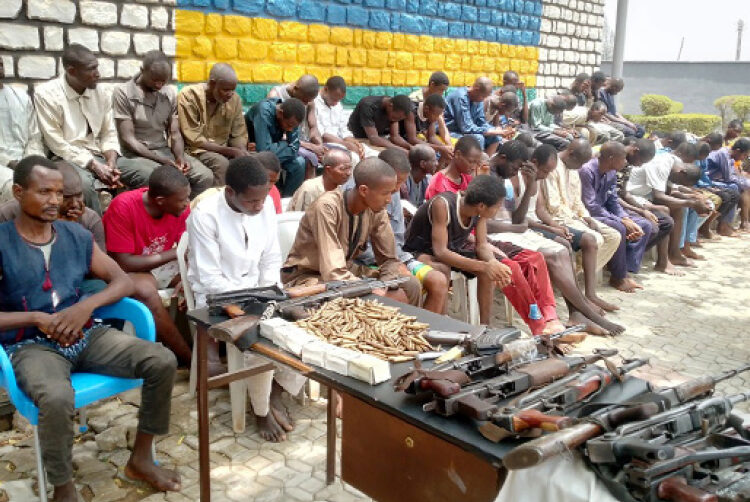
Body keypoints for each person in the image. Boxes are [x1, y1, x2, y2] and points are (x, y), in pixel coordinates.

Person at [0, 156, 180, 501]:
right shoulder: (3, 241)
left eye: (59, 193)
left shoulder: (75, 234)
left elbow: (121, 280)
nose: (55, 201)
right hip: (30, 346)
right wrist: (36, 319)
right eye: (44, 192)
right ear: (18, 192)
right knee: (55, 397)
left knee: (160, 360)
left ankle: (141, 458)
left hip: (85, 334)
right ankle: (64, 488)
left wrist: (85, 307)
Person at [187, 157, 303, 442]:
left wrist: (268, 295)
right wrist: (250, 304)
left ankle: (275, 392)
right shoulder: (204, 215)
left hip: (257, 291)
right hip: (217, 298)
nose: (260, 206)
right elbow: (209, 276)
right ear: (230, 193)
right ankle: (261, 411)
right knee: (258, 339)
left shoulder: (262, 207)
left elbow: (270, 258)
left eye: (263, 199)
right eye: (252, 201)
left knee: (306, 325)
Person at [489, 142, 624, 336]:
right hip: (501, 233)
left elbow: (518, 217)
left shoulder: (515, 177)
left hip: (514, 229)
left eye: (519, 167)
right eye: (516, 166)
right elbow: (499, 222)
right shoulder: (494, 175)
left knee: (562, 249)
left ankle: (578, 312)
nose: (516, 170)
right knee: (555, 252)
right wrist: (524, 225)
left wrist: (529, 186)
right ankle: (586, 312)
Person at [403, 175, 561, 334]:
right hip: (421, 250)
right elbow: (441, 251)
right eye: (498, 206)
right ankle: (440, 322)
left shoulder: (479, 214)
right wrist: (485, 265)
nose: (498, 209)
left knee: (491, 269)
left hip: (452, 248)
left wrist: (492, 263)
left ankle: (485, 326)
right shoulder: (442, 205)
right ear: (481, 205)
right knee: (443, 269)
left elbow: (482, 245)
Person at [281, 158, 421, 305]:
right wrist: (368, 288)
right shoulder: (327, 207)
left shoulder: (376, 209)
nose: (389, 200)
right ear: (364, 190)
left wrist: (385, 284)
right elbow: (333, 272)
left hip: (347, 271)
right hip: (309, 276)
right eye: (386, 193)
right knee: (372, 300)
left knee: (411, 284)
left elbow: (389, 260)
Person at [101, 166, 194, 368]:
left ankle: (210, 350)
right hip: (127, 269)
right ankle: (189, 359)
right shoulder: (123, 206)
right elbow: (124, 262)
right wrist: (176, 254)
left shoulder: (180, 210)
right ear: (160, 201)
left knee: (198, 280)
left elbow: (188, 250)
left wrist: (187, 277)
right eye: (182, 200)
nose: (187, 204)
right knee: (145, 292)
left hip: (159, 264)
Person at [347, 149, 449, 313]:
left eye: (401, 182)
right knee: (405, 289)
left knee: (438, 280)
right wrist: (391, 265)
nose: (397, 189)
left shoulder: (390, 195)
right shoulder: (357, 195)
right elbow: (357, 250)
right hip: (366, 263)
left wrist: (397, 262)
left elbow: (397, 238)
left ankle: (429, 333)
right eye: (396, 183)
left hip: (395, 257)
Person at [34, 44, 121, 214]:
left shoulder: (101, 92)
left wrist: (111, 162)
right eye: (91, 69)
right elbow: (56, 143)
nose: (98, 74)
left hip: (100, 154)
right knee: (82, 187)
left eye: (97, 67)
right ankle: (95, 235)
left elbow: (108, 132)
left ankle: (129, 230)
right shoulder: (46, 94)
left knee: (146, 173)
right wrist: (94, 165)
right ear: (71, 71)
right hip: (66, 157)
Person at [537, 139, 622, 312]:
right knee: (594, 238)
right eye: (580, 162)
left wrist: (586, 218)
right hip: (558, 218)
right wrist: (577, 220)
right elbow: (553, 206)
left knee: (614, 236)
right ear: (570, 153)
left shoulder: (574, 168)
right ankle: (574, 289)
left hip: (574, 216)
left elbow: (576, 201)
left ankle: (581, 285)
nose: (581, 166)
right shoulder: (551, 167)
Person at [113, 50, 212, 197]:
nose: (159, 85)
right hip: (135, 155)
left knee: (205, 176)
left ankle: (184, 213)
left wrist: (180, 157)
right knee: (160, 180)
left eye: (163, 81)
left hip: (164, 151)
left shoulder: (169, 94)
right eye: (155, 80)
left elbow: (175, 132)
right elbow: (128, 139)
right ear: (142, 71)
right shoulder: (123, 93)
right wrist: (160, 160)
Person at [625, 141, 711, 273]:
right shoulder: (662, 165)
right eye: (682, 182)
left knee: (679, 207)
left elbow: (672, 188)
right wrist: (691, 203)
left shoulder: (674, 165)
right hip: (632, 194)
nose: (680, 184)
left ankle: (675, 254)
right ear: (681, 172)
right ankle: (662, 262)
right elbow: (660, 196)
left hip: (644, 196)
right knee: (664, 210)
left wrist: (693, 198)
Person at [579, 141, 654, 293]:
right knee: (619, 227)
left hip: (605, 212)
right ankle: (618, 277)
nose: (626, 161)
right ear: (611, 158)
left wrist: (626, 218)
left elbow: (613, 201)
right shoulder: (587, 171)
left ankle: (626, 272)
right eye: (623, 158)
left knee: (645, 225)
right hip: (588, 214)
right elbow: (591, 206)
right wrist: (621, 221)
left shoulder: (611, 173)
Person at [0, 161, 105, 251]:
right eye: (66, 197)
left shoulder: (90, 220)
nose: (74, 203)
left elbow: (101, 269)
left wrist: (73, 229)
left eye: (79, 195)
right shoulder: (7, 214)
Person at [178, 63, 250, 187]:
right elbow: (194, 140)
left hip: (223, 149)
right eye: (226, 89)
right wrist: (230, 151)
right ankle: (215, 203)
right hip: (194, 150)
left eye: (233, 89)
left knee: (253, 163)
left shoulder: (235, 100)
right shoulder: (189, 96)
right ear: (212, 84)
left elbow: (238, 134)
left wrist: (242, 152)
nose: (230, 94)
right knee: (221, 164)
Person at [0, 57, 44, 203]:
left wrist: (31, 160)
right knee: (14, 186)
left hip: (25, 159)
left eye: (0, 63)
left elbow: (34, 136)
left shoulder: (21, 96)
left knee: (52, 178)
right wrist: (11, 163)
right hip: (3, 164)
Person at [247, 97, 307, 197]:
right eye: (289, 125)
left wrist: (276, 146)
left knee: (300, 163)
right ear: (280, 113)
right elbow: (264, 151)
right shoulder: (264, 111)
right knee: (269, 161)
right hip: (253, 152)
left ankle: (288, 200)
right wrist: (285, 143)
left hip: (272, 151)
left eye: (294, 127)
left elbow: (295, 147)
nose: (290, 129)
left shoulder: (293, 118)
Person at [268, 75, 323, 178]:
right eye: (304, 100)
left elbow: (313, 126)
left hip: (303, 142)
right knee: (309, 159)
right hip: (285, 143)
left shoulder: (307, 98)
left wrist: (319, 145)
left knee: (334, 156)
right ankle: (305, 193)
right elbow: (277, 134)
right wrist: (311, 147)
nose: (306, 103)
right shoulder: (276, 96)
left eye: (309, 101)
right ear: (295, 89)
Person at [444, 77, 506, 155]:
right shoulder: (461, 97)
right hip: (451, 131)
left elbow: (481, 122)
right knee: (478, 138)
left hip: (464, 131)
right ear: (476, 90)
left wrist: (497, 131)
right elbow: (466, 127)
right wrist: (488, 131)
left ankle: (484, 163)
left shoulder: (478, 100)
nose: (483, 100)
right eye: (483, 96)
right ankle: (475, 164)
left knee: (496, 138)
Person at [314, 76, 367, 163]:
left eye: (338, 100)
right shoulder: (314, 104)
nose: (336, 103)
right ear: (326, 89)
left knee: (371, 154)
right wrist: (346, 144)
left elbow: (344, 129)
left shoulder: (338, 105)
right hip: (325, 144)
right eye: (334, 99)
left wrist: (354, 143)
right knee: (353, 158)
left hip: (340, 142)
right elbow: (322, 135)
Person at [699, 133, 740, 237]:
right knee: (727, 194)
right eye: (713, 149)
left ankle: (723, 225)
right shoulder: (699, 152)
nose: (712, 152)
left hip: (707, 183)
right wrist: (710, 187)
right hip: (700, 185)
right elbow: (728, 177)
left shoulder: (705, 154)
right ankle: (707, 226)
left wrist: (710, 186)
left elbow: (703, 175)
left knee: (734, 193)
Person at [706, 137, 750, 232]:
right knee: (734, 187)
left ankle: (726, 224)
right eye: (744, 155)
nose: (744, 158)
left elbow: (733, 175)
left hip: (718, 180)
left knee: (737, 186)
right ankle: (723, 225)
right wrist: (746, 183)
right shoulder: (723, 154)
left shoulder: (731, 157)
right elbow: (728, 178)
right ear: (738, 151)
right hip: (709, 181)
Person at [409, 72, 453, 158]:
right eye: (441, 90)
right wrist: (439, 148)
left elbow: (438, 127)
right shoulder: (414, 102)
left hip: (427, 131)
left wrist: (447, 146)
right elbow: (412, 138)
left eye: (444, 91)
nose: (441, 94)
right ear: (432, 84)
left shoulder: (436, 104)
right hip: (415, 133)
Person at [347, 94, 413, 152]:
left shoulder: (394, 108)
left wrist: (411, 147)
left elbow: (395, 137)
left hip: (378, 138)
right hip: (357, 138)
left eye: (398, 119)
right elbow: (374, 139)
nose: (395, 120)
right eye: (394, 118)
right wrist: (401, 150)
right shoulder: (368, 105)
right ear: (390, 106)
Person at [424, 136, 478, 200]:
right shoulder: (439, 184)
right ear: (458, 154)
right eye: (471, 162)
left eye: (477, 163)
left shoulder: (467, 178)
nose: (474, 167)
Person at [401, 144, 438, 208]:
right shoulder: (404, 183)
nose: (437, 164)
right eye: (434, 161)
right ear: (423, 164)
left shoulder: (427, 179)